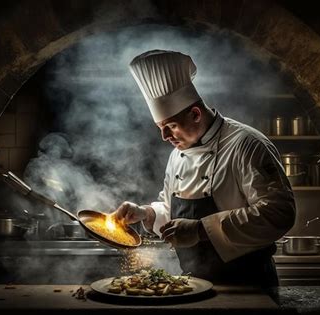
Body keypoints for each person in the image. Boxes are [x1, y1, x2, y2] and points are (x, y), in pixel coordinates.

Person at [113, 49, 296, 287]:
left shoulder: (247, 145)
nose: (164, 136)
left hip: (247, 283)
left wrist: (201, 230)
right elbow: (173, 211)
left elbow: (279, 213)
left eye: (171, 126)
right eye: (159, 127)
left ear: (196, 114)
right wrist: (146, 213)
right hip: (193, 284)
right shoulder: (177, 155)